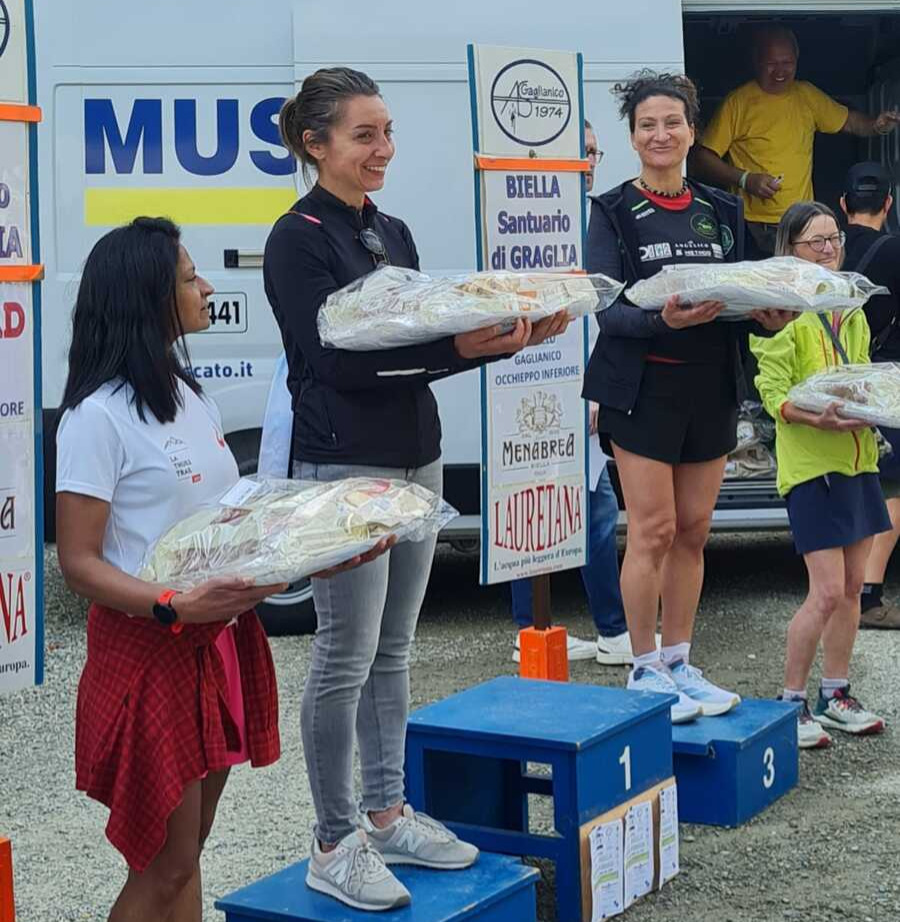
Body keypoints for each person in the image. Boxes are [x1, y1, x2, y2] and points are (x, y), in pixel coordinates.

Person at [264, 67, 569, 911]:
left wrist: (510, 338)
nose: (383, 150)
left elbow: (432, 336)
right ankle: (334, 840)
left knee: (394, 651)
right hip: (344, 468)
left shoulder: (390, 229)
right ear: (314, 144)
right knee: (342, 658)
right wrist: (461, 352)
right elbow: (329, 363)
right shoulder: (297, 238)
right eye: (364, 136)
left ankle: (389, 811)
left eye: (387, 132)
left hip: (416, 455)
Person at [55, 218, 288, 921]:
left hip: (216, 638)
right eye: (189, 278)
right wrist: (169, 604)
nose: (206, 286)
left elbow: (219, 514)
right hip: (150, 647)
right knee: (161, 868)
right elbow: (78, 563)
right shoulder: (96, 419)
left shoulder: (189, 394)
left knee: (188, 855)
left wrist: (294, 549)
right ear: (146, 297)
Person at [583, 70, 793, 724]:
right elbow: (606, 307)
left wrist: (765, 314)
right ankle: (643, 669)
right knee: (653, 528)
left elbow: (742, 291)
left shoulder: (721, 208)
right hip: (641, 389)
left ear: (691, 131)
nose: (661, 134)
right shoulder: (613, 210)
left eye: (672, 122)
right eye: (648, 124)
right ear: (634, 136)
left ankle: (679, 661)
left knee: (694, 532)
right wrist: (659, 322)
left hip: (711, 388)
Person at [752, 201, 889, 749]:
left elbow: (856, 377)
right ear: (791, 250)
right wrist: (813, 416)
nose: (830, 249)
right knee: (826, 591)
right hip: (811, 466)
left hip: (858, 459)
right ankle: (792, 701)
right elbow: (771, 392)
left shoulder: (850, 307)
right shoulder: (783, 310)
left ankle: (836, 694)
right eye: (816, 242)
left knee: (855, 588)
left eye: (834, 239)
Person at [510, 119, 635, 667]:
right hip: (540, 384)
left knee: (588, 509)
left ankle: (604, 630)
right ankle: (576, 629)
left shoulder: (596, 218)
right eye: (578, 153)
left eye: (593, 153)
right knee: (541, 508)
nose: (588, 163)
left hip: (582, 388)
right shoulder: (531, 221)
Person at [691, 25, 900, 255]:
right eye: (772, 63)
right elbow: (701, 158)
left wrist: (877, 126)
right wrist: (745, 179)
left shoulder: (806, 95)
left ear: (797, 60)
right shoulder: (738, 103)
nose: (780, 71)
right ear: (756, 61)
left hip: (801, 224)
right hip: (751, 226)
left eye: (787, 62)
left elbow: (849, 122)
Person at [840, 162, 900, 629]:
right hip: (886, 377)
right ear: (888, 204)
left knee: (851, 476)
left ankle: (842, 584)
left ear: (843, 206)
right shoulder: (897, 251)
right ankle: (868, 595)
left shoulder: (824, 249)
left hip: (833, 378)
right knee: (892, 486)